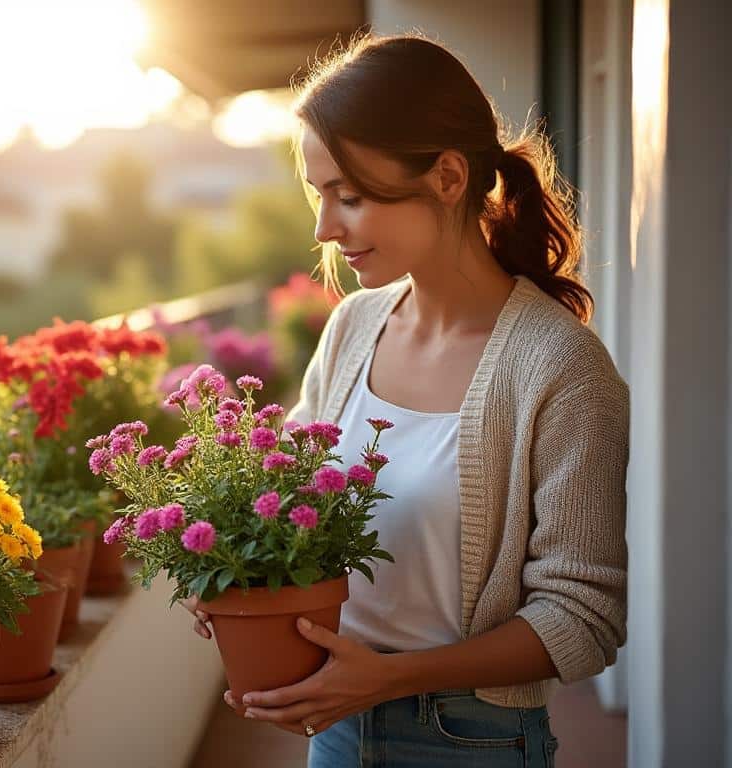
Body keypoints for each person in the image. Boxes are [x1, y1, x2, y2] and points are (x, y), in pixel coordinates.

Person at [184, 34, 628, 767]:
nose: (324, 228)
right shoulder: (354, 327)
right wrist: (232, 580)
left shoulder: (562, 368)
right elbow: (284, 490)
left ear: (448, 176)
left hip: (472, 743)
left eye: (351, 197)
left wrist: (391, 678)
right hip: (335, 729)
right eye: (319, 194)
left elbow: (584, 618)